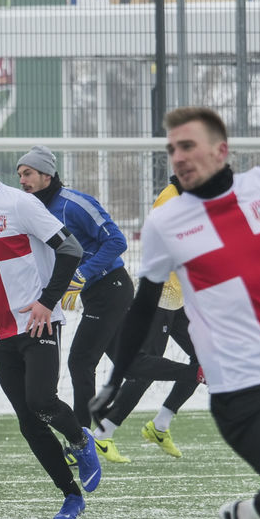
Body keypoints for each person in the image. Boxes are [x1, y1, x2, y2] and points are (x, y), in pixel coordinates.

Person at [91, 105, 260, 519]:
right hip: (240, 391)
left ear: (221, 150)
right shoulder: (167, 221)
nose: (178, 156)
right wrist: (114, 379)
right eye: (172, 149)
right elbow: (144, 307)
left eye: (188, 146)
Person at [0, 136, 102, 519]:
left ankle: (80, 439)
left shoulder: (21, 203)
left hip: (36, 323)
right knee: (28, 422)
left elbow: (71, 249)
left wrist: (47, 301)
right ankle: (71, 495)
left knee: (42, 401)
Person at [16, 145, 134, 463]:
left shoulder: (75, 203)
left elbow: (117, 241)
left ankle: (82, 443)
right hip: (95, 293)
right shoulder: (33, 210)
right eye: (19, 175)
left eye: (28, 173)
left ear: (47, 174)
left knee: (80, 362)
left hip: (112, 287)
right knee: (133, 365)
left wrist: (83, 272)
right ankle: (193, 371)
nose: (22, 180)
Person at [92, 177, 201, 460]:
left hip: (180, 298)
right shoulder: (171, 198)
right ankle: (102, 434)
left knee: (206, 357)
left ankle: (160, 425)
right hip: (161, 294)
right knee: (146, 368)